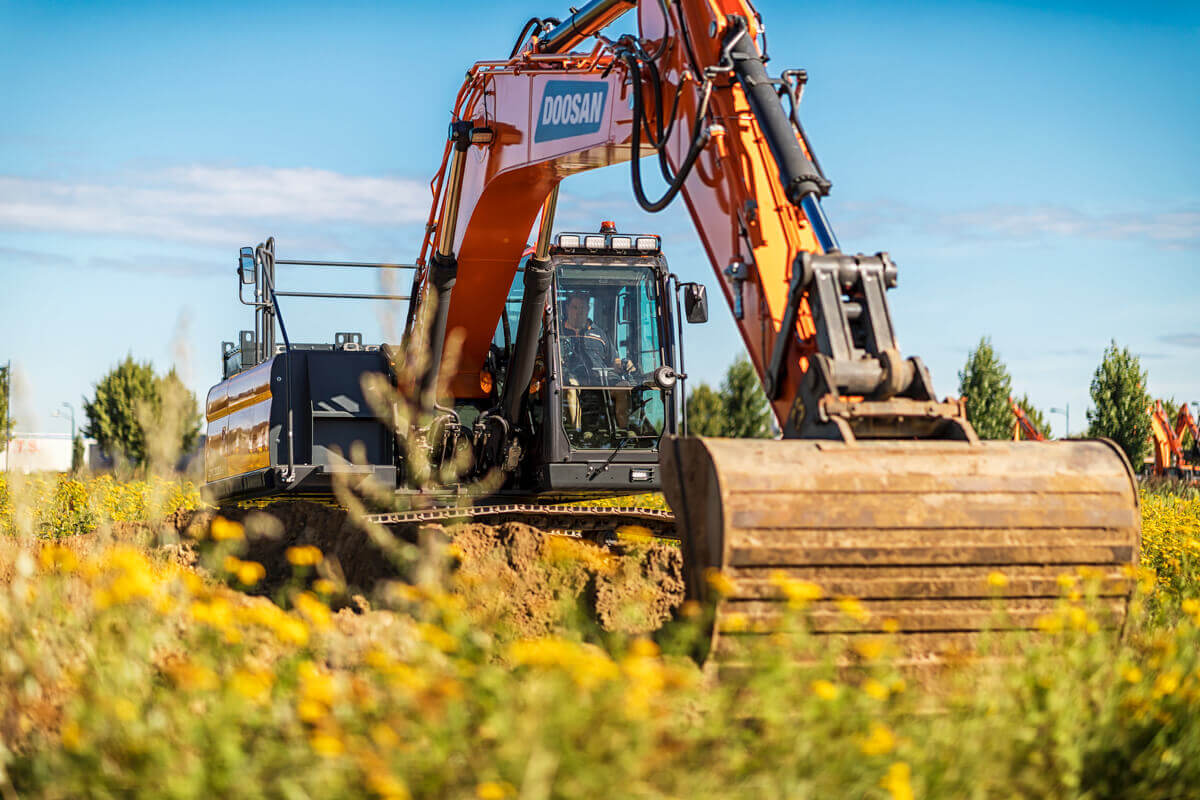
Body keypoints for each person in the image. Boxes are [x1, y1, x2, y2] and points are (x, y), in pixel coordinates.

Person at [559, 290, 634, 439]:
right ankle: (575, 434)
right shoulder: (557, 332)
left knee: (624, 387)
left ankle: (623, 433)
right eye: (575, 307)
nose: (579, 312)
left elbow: (614, 361)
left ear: (588, 309)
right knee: (570, 386)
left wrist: (626, 364)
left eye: (583, 308)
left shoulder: (600, 334)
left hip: (602, 380)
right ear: (567, 308)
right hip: (574, 379)